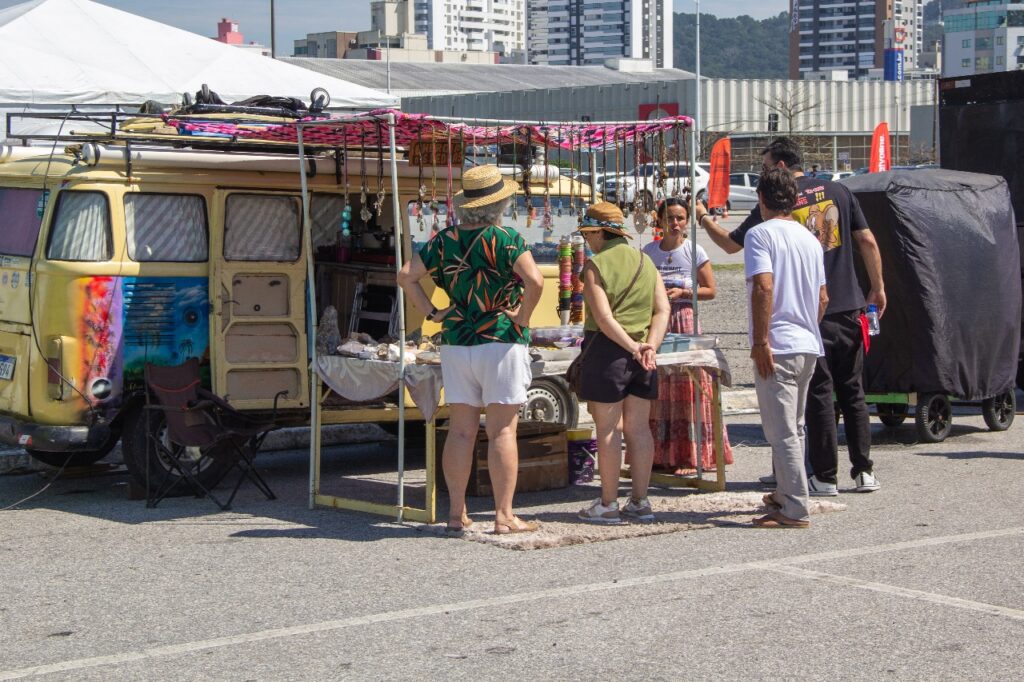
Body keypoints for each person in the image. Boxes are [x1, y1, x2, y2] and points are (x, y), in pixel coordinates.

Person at [698, 137, 886, 495]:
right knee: (853, 392)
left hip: (809, 311)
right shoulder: (839, 191)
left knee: (818, 395)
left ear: (781, 167)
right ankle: (864, 471)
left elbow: (729, 245)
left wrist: (703, 216)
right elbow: (868, 240)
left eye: (767, 166)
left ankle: (825, 477)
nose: (764, 173)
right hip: (850, 305)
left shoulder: (777, 198)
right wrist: (877, 287)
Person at [397, 165, 545, 536]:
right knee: (501, 432)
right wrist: (523, 317)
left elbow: (405, 276)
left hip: (457, 341)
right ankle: (503, 515)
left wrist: (433, 310)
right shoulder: (506, 239)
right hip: (498, 338)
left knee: (461, 431)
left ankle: (455, 514)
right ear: (499, 204)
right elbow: (535, 280)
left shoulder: (442, 240)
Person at [575, 202, 670, 524]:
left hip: (609, 352)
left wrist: (631, 346)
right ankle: (641, 501)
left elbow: (602, 318)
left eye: (589, 233)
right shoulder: (646, 261)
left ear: (601, 232)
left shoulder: (595, 265)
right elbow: (663, 310)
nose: (587, 239)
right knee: (639, 429)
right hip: (645, 353)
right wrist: (649, 347)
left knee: (608, 430)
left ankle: (608, 503)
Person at [745, 168, 829, 528]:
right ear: (794, 200)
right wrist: (806, 324)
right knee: (795, 426)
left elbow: (763, 287)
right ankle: (785, 491)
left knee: (781, 432)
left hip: (778, 342)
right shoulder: (810, 239)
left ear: (761, 199)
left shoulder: (759, 235)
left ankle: (794, 507)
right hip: (807, 341)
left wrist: (762, 340)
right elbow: (823, 297)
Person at [641, 197, 734, 475]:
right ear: (659, 220)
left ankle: (689, 456)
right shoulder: (648, 251)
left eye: (680, 218)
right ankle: (659, 454)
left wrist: (683, 294)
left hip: (684, 321)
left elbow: (711, 290)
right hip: (657, 322)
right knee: (659, 388)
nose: (675, 223)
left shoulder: (695, 251)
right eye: (670, 218)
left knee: (688, 386)